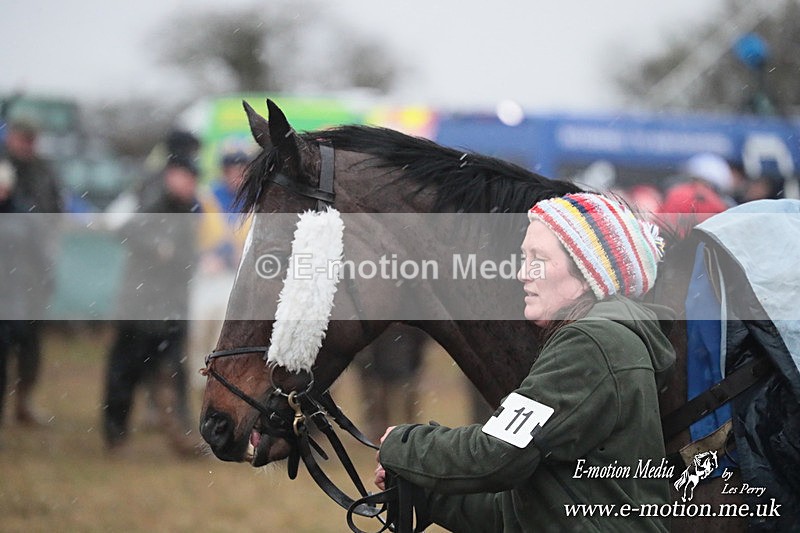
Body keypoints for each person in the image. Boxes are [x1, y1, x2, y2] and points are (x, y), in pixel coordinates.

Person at [374, 192, 676, 532]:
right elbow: (524, 512)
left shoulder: (592, 343)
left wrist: (404, 445)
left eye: (539, 259)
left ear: (587, 275)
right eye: (524, 257)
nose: (522, 273)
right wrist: (423, 494)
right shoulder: (605, 339)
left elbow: (497, 454)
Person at [102, 156, 201, 457]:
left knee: (174, 374)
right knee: (125, 373)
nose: (189, 185)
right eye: (185, 177)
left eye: (193, 180)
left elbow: (188, 258)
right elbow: (124, 229)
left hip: (171, 308)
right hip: (140, 308)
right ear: (172, 176)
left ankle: (181, 436)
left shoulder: (190, 210)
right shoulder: (153, 203)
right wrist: (158, 246)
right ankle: (115, 437)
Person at [0, 119, 62, 426]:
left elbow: (56, 206)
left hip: (31, 270)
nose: (27, 145)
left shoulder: (43, 169)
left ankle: (24, 399)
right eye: (22, 138)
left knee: (30, 341)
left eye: (31, 139)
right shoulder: (4, 165)